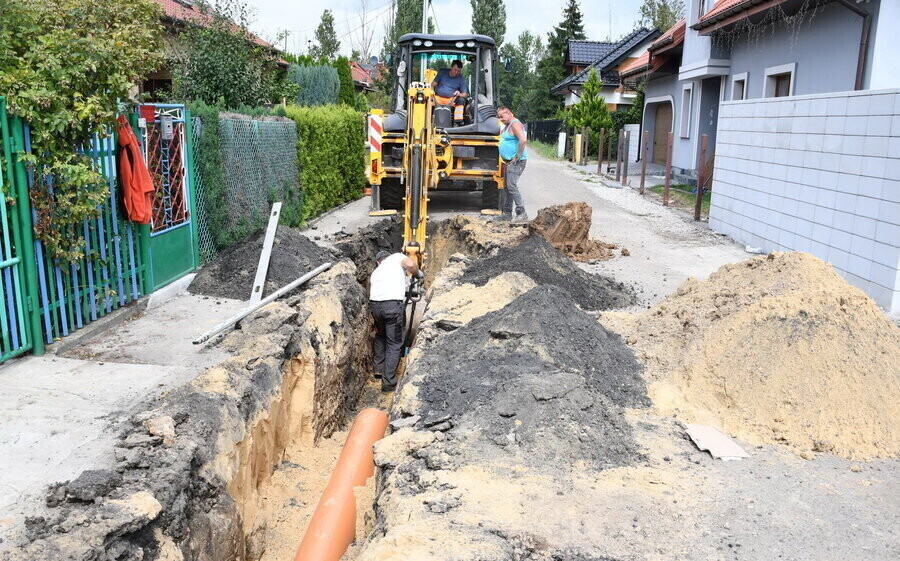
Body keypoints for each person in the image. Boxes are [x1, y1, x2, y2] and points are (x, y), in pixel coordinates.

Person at [369, 250, 422, 392]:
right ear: (388, 257)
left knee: (381, 335)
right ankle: (389, 382)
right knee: (394, 342)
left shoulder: (376, 273)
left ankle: (379, 370)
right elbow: (411, 263)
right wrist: (416, 273)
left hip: (375, 306)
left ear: (377, 262)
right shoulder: (397, 257)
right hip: (392, 306)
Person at [497, 106, 528, 223]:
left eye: (502, 116)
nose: (500, 119)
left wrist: (518, 156)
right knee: (507, 187)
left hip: (516, 161)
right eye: (499, 117)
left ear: (510, 114)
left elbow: (523, 140)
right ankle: (507, 213)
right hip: (509, 161)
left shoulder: (515, 124)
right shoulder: (506, 126)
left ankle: (522, 213)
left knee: (512, 186)